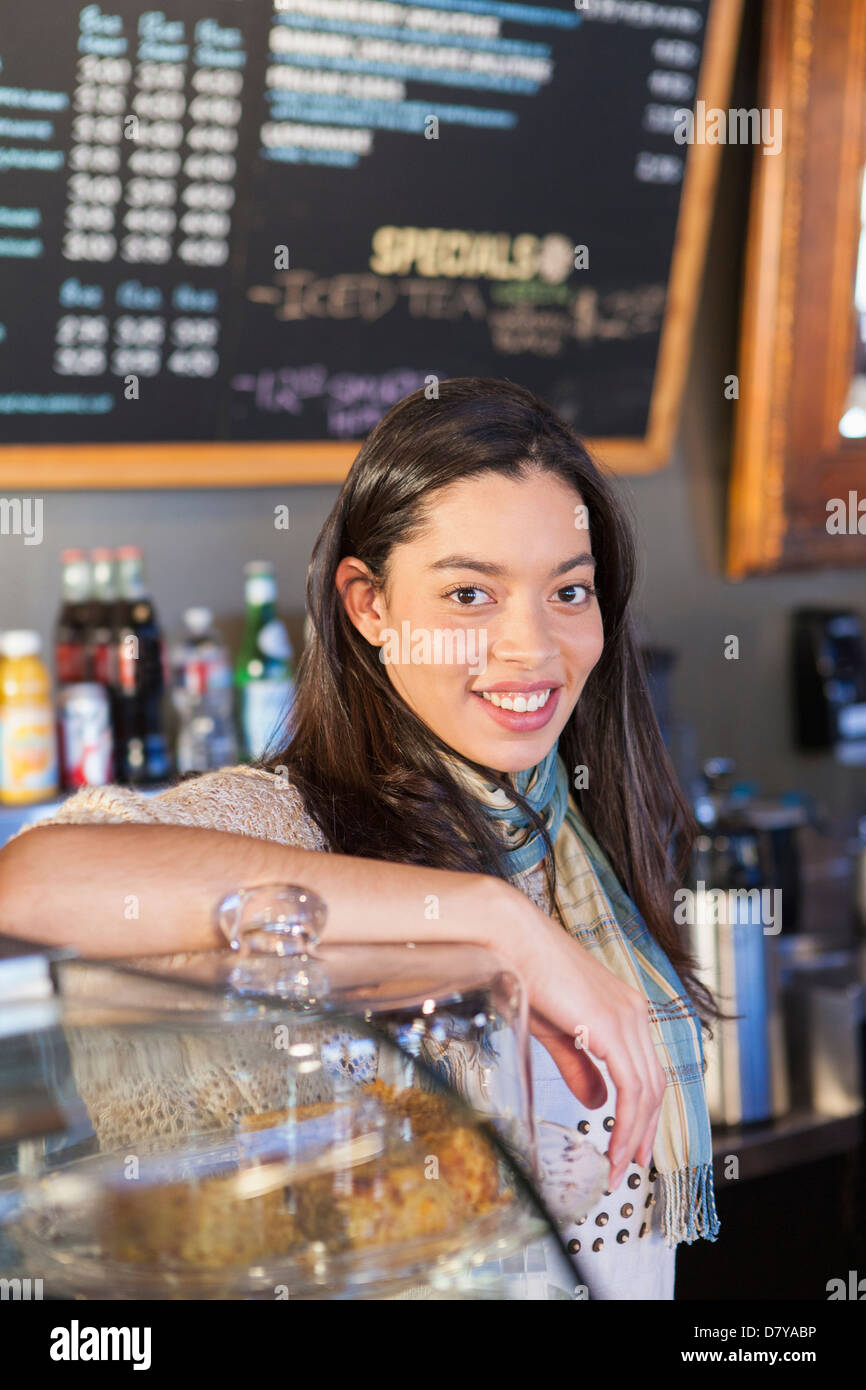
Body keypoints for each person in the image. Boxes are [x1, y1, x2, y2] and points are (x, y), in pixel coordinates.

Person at [0, 376, 720, 1298]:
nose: (531, 647)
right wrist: (494, 920)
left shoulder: (588, 841)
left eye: (569, 591)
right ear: (369, 606)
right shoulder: (283, 819)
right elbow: (32, 885)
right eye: (469, 595)